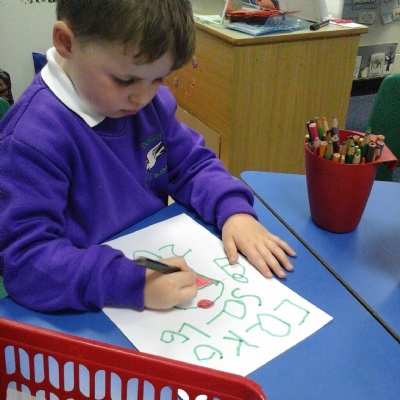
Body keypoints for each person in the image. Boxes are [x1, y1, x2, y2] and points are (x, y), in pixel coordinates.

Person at [0, 0, 295, 313]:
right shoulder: (31, 139)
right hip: (89, 305)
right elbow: (27, 261)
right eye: (125, 80)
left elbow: (192, 166)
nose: (142, 97)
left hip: (151, 262)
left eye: (158, 79)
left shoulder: (146, 106)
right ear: (67, 43)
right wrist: (129, 283)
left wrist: (233, 211)